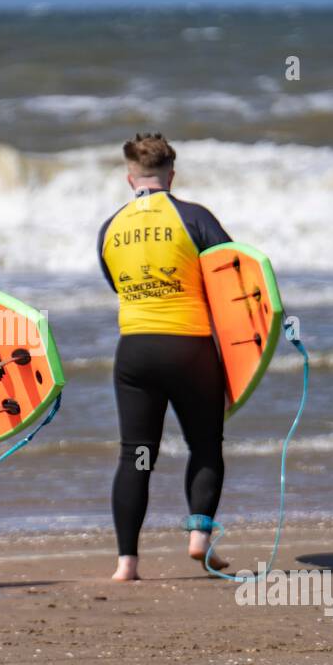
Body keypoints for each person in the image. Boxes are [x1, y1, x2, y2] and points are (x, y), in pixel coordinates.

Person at [97, 133, 233, 581]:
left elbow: (118, 286)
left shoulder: (111, 227)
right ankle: (199, 536)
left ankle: (126, 564)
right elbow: (235, 279)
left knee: (136, 454)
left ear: (129, 177)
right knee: (205, 444)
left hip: (135, 353)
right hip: (189, 349)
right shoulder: (193, 217)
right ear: (171, 175)